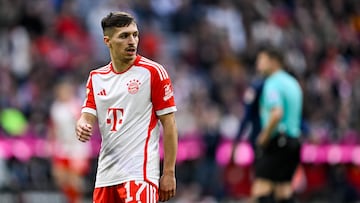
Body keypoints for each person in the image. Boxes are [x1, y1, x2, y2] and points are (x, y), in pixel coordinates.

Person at [75, 12, 178, 203]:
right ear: (108, 41)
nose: (132, 41)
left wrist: (169, 172)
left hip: (140, 174)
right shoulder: (96, 77)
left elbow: (169, 123)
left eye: (135, 34)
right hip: (106, 176)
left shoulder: (153, 72)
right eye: (124, 36)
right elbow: (87, 115)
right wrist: (82, 124)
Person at [252, 46, 303, 203]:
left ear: (273, 62)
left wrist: (264, 136)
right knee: (284, 190)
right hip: (294, 141)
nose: (257, 64)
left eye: (261, 60)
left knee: (260, 188)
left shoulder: (272, 84)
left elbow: (277, 113)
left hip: (278, 141)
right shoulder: (293, 83)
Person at [50, 80, 91, 203]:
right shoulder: (56, 107)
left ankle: (80, 199)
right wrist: (51, 141)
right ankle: (71, 198)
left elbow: (86, 122)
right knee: (60, 176)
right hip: (62, 145)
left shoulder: (76, 105)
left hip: (76, 146)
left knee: (74, 179)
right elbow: (53, 127)